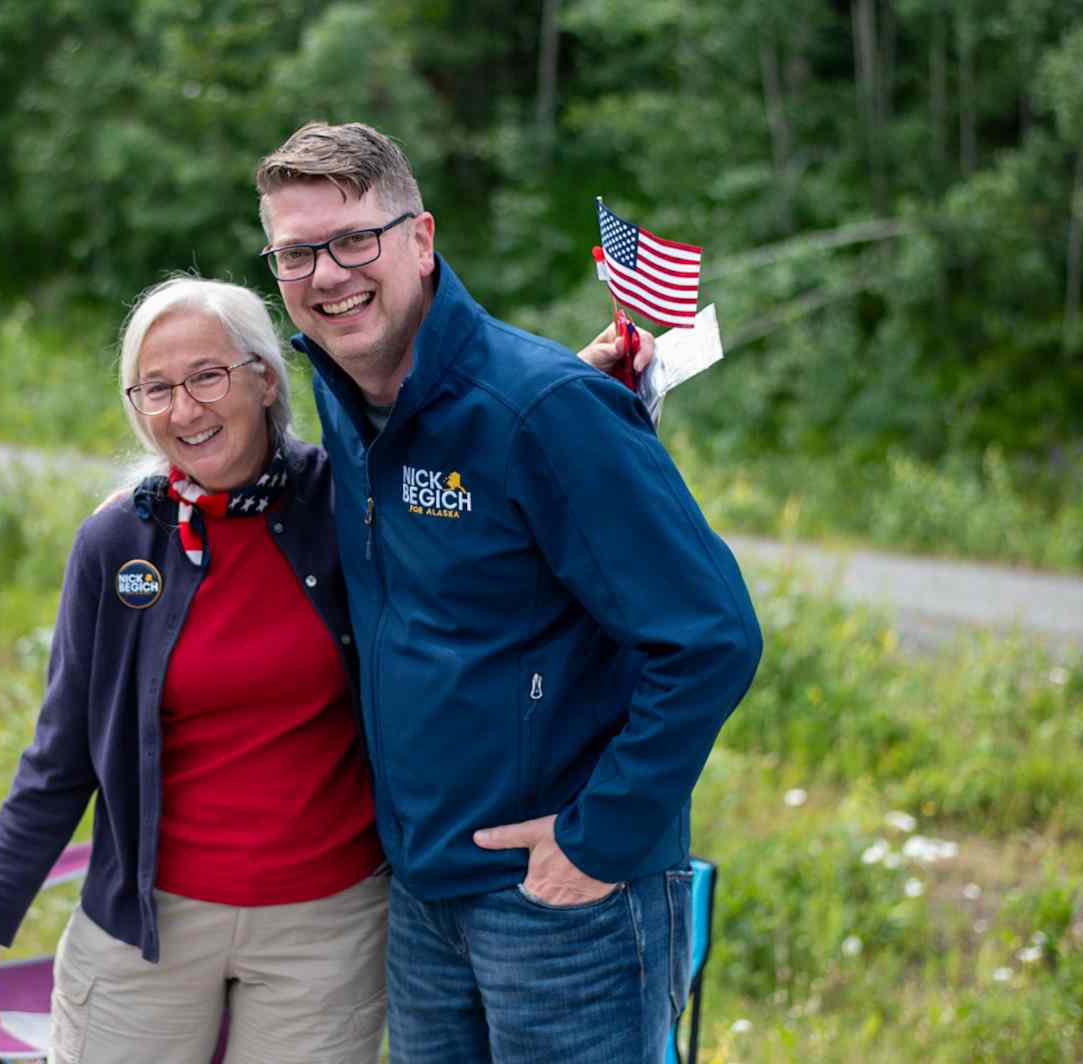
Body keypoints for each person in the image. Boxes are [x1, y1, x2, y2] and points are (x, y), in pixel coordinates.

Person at [254, 121, 762, 1063]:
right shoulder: (349, 396)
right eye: (297, 252)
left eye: (355, 239)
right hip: (422, 887)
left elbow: (712, 637)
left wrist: (597, 840)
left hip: (562, 903)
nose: (328, 273)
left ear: (420, 239)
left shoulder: (542, 408)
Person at [0, 277, 389, 1064]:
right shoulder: (117, 542)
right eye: (156, 389)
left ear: (265, 378)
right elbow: (60, 751)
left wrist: (584, 390)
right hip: (146, 923)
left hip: (325, 924)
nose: (184, 409)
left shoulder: (345, 504)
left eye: (208, 376)